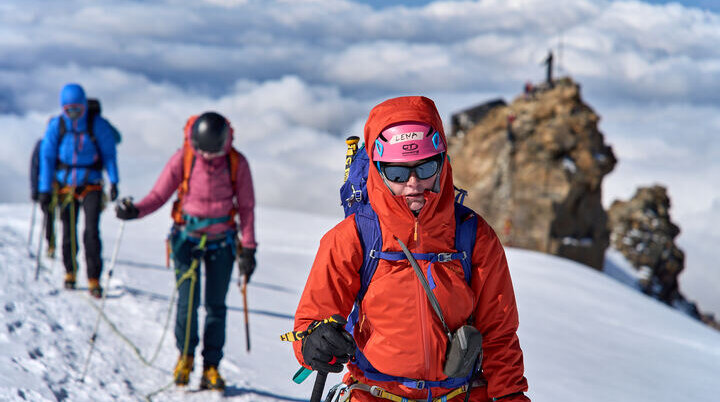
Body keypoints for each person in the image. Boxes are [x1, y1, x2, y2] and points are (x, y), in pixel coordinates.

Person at [292, 96, 529, 401]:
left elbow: (499, 334)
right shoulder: (354, 237)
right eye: (398, 173)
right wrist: (314, 342)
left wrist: (510, 396)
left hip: (462, 394)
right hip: (376, 394)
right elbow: (309, 323)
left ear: (443, 163)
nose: (414, 183)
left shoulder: (473, 235)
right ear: (378, 170)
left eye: (426, 167)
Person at [115, 111, 257, 391]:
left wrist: (249, 248)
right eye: (201, 151)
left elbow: (247, 207)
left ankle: (211, 366)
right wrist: (136, 211)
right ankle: (186, 357)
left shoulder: (236, 162)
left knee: (216, 306)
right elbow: (159, 195)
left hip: (223, 242)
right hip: (186, 240)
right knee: (187, 303)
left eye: (211, 152)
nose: (206, 156)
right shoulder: (184, 157)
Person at [37, 83, 120, 297]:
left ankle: (94, 277)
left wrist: (114, 181)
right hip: (65, 185)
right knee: (68, 230)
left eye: (77, 110)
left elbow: (109, 153)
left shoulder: (97, 124)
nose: (73, 115)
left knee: (91, 231)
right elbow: (46, 158)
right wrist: (44, 189)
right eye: (69, 110)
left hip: (91, 183)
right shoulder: (57, 126)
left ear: (84, 106)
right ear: (63, 108)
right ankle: (70, 272)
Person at [31, 139, 56, 257]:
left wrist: (35, 189)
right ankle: (51, 244)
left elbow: (34, 168)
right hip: (50, 188)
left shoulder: (42, 144)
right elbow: (35, 168)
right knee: (50, 216)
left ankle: (51, 245)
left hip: (47, 188)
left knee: (49, 216)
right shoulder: (44, 144)